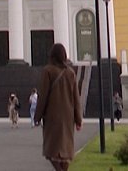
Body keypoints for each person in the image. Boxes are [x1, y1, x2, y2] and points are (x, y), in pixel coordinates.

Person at [34, 43, 82, 171]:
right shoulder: (70, 73)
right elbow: (76, 99)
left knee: (51, 151)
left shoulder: (48, 71)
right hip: (68, 117)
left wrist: (37, 116)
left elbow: (43, 96)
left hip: (52, 116)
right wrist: (78, 119)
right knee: (65, 152)